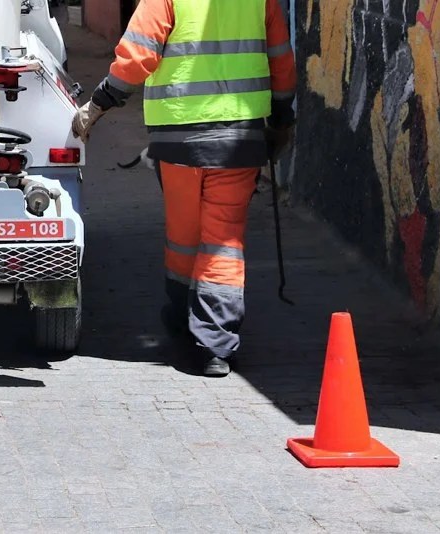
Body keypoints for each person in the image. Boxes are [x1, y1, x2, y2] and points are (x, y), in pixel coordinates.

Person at [72, 0, 297, 377]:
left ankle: (181, 315)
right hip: (240, 140)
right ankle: (215, 344)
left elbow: (137, 57)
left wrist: (98, 103)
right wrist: (282, 118)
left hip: (178, 139)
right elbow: (281, 61)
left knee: (183, 236)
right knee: (223, 241)